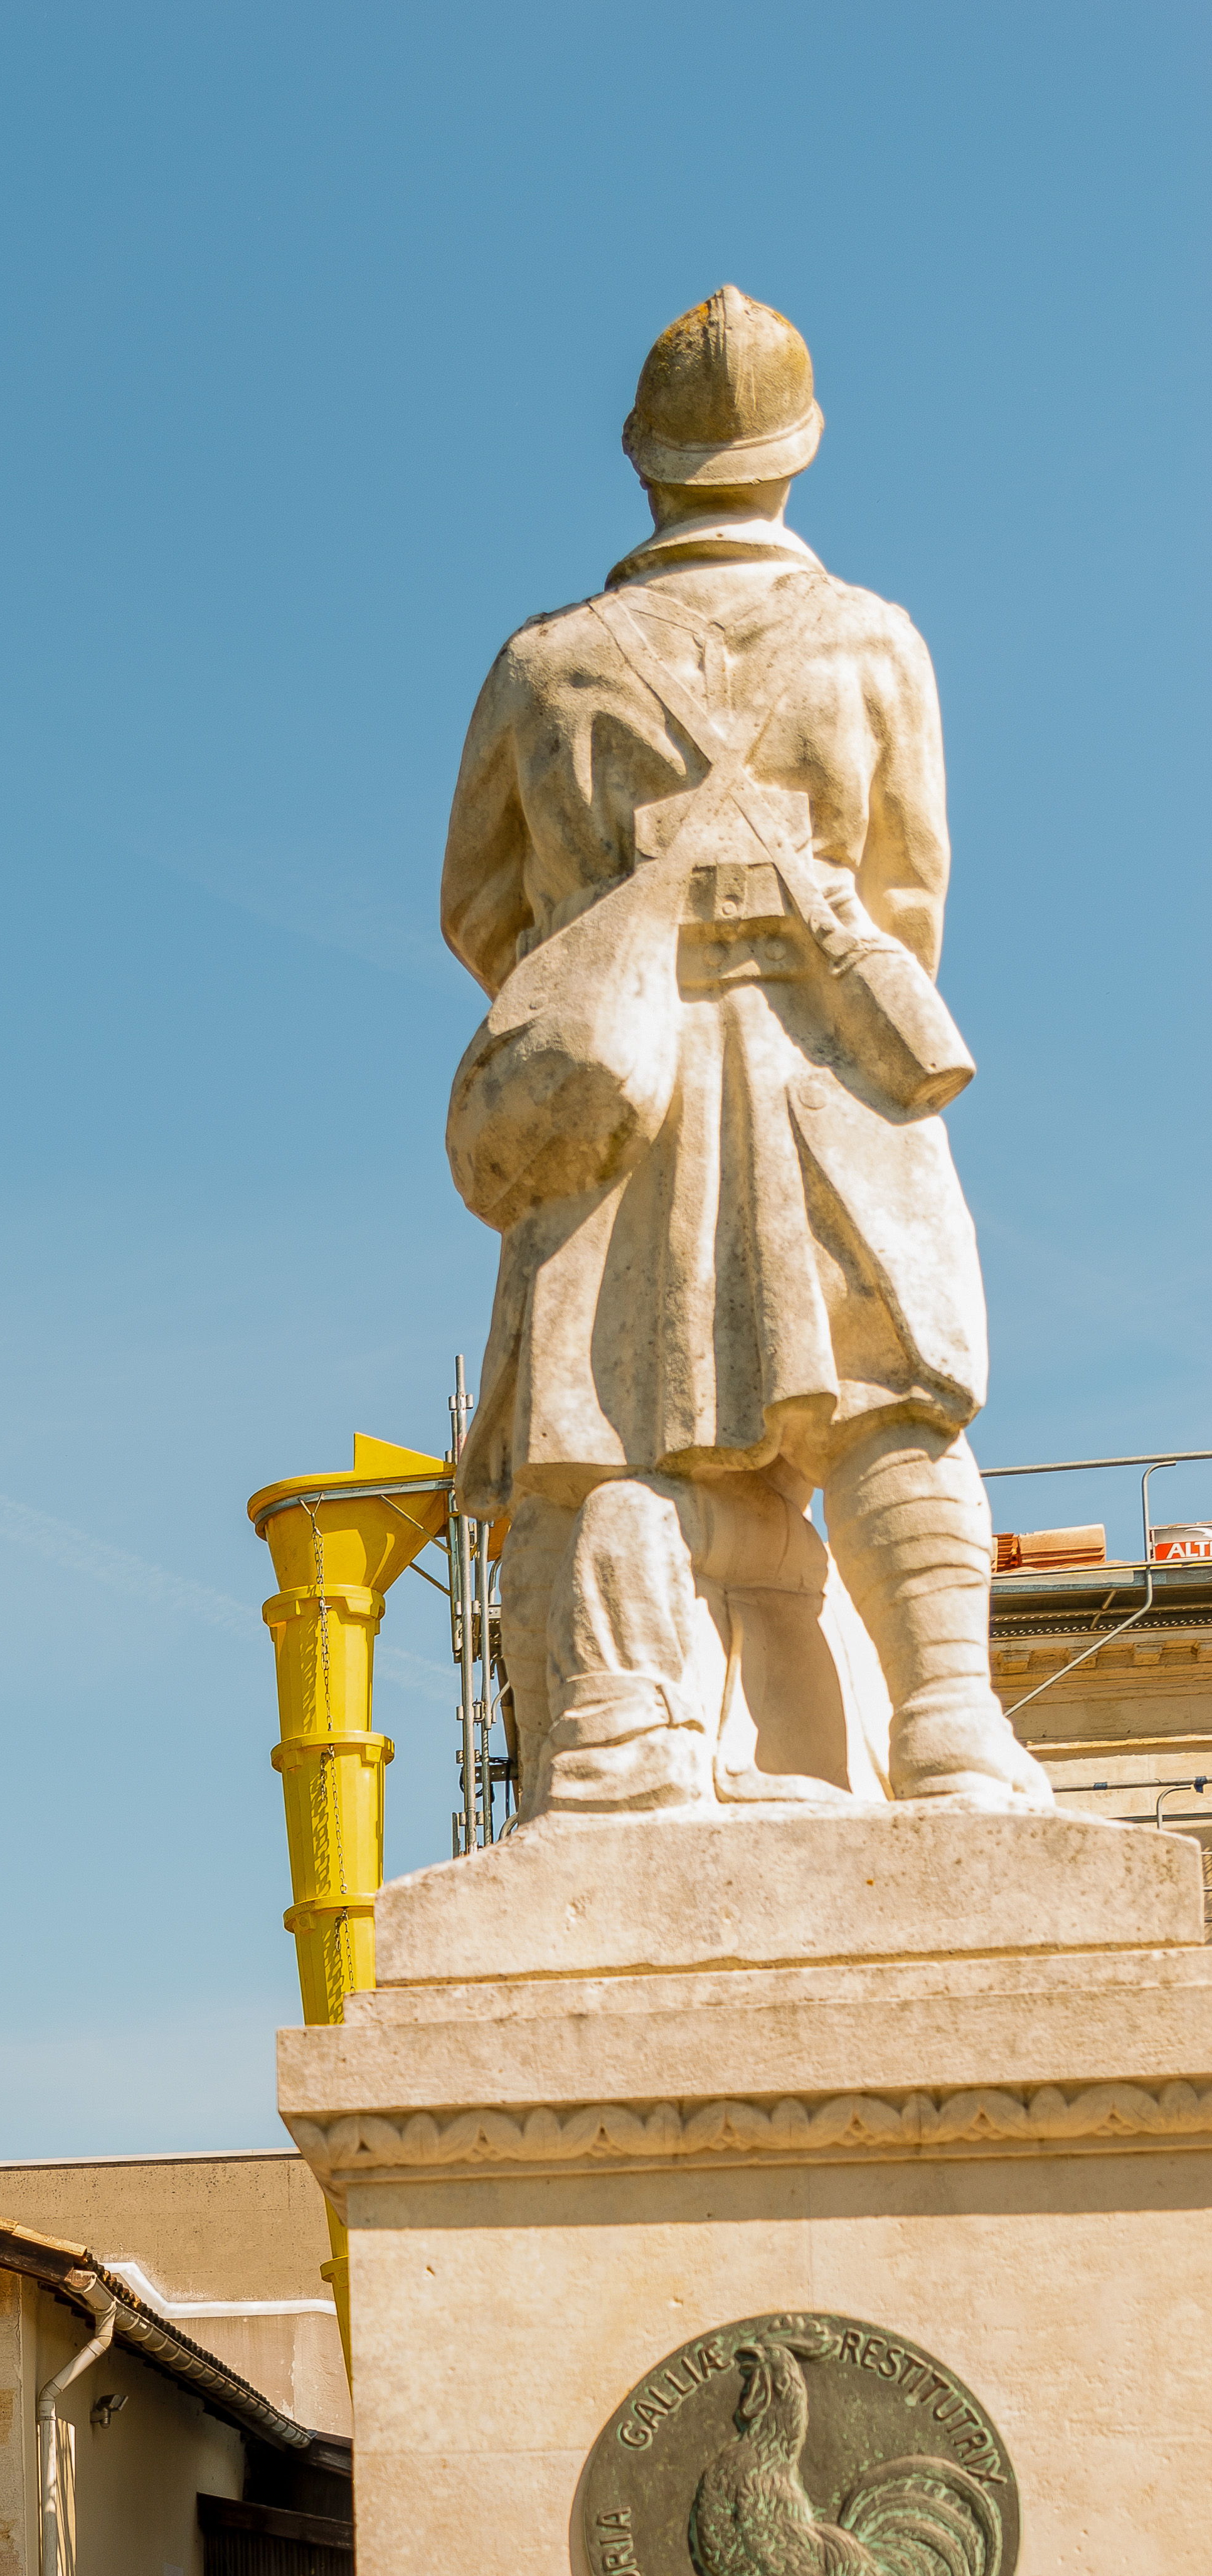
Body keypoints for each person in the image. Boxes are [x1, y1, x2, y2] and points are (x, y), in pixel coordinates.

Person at [443, 288, 1047, 1826]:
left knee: (601, 1420)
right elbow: (906, 889)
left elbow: (480, 911)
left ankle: (619, 1730)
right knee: (886, 1399)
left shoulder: (543, 663)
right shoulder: (871, 643)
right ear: (792, 457)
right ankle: (948, 1724)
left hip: (611, 1081)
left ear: (644, 463)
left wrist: (616, 948)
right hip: (828, 1059)